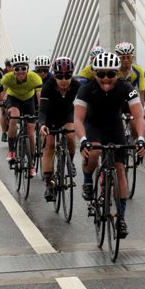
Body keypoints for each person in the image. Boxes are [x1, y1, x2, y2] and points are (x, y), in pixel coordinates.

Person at [73, 51, 145, 238]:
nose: (106, 79)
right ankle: (88, 180)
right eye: (101, 74)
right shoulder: (86, 89)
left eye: (111, 74)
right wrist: (83, 141)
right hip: (93, 126)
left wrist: (140, 138)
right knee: (95, 152)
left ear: (117, 74)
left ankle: (121, 218)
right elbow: (78, 119)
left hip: (114, 127)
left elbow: (138, 115)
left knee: (120, 169)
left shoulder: (126, 87)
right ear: (94, 74)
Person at [38, 56, 79, 202]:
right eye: (59, 76)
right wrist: (42, 125)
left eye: (67, 76)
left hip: (67, 113)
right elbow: (42, 111)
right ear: (54, 75)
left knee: (70, 134)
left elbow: (84, 106)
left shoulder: (76, 86)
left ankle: (70, 162)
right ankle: (49, 185)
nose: (63, 79)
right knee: (49, 146)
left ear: (72, 75)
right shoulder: (48, 87)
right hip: (50, 116)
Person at [1, 53, 43, 176]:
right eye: (17, 69)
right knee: (14, 117)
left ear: (28, 68)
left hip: (29, 100)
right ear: (12, 70)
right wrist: (2, 103)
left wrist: (42, 112)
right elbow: (2, 95)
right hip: (13, 98)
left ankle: (31, 164)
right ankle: (12, 150)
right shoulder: (7, 78)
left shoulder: (35, 78)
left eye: (23, 68)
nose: (20, 72)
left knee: (31, 133)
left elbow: (39, 98)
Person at [0, 58, 13, 142]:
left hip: (14, 93)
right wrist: (2, 98)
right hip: (5, 91)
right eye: (9, 66)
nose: (11, 68)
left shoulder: (19, 72)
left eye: (12, 66)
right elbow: (1, 88)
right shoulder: (2, 74)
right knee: (3, 112)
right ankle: (4, 133)